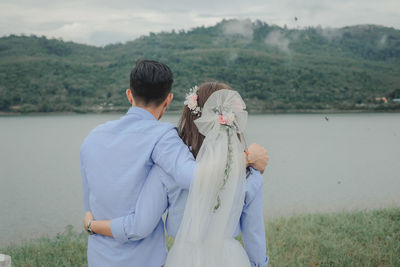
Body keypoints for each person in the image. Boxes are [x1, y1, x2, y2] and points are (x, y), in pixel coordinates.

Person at [80, 60, 269, 267]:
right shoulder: (250, 177)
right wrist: (246, 157)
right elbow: (254, 233)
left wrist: (92, 225)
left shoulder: (92, 138)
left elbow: (94, 203)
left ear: (129, 94)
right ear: (168, 99)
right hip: (229, 259)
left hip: (105, 257)